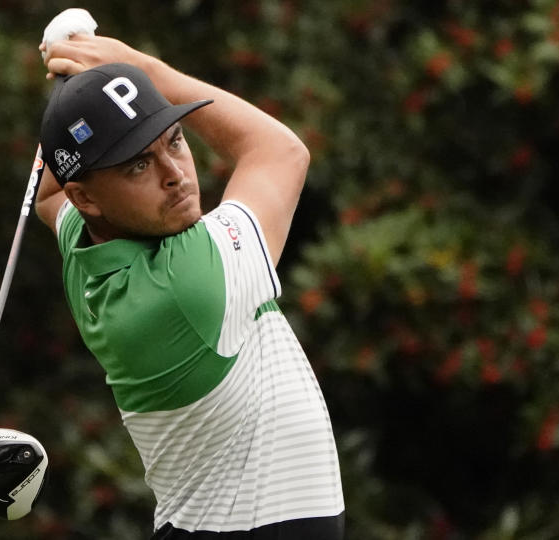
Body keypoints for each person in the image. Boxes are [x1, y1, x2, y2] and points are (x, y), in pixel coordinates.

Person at [35, 33, 345, 539]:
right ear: (88, 198)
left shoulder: (83, 244)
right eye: (139, 164)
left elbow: (50, 192)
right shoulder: (189, 282)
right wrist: (143, 68)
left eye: (175, 140)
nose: (175, 175)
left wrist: (77, 95)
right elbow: (282, 152)